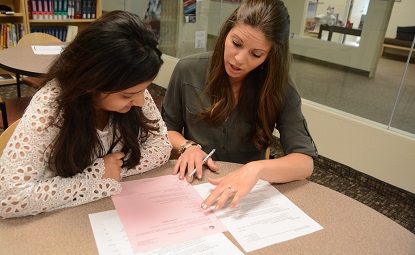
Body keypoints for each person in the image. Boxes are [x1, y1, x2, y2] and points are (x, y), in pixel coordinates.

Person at [0, 11, 172, 218]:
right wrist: (94, 178)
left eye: (144, 90)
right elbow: (9, 198)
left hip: (107, 207)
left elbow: (161, 147)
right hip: (63, 219)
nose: (140, 102)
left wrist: (113, 171)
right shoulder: (52, 106)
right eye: (127, 95)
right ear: (92, 82)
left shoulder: (134, 89)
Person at [162, 0, 317, 210]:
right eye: (236, 43)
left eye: (256, 54)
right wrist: (187, 146)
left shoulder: (281, 90)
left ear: (271, 55)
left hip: (245, 193)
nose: (238, 59)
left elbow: (304, 163)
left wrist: (256, 169)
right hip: (195, 181)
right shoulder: (187, 69)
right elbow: (165, 129)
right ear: (227, 32)